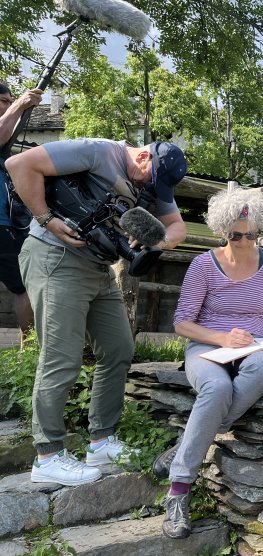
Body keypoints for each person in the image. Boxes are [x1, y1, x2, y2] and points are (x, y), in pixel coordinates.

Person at [5, 137, 188, 486]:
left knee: (119, 348)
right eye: (148, 181)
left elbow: (176, 225)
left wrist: (156, 239)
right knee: (61, 356)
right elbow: (19, 165)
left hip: (98, 269)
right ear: (143, 155)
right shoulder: (98, 151)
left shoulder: (154, 177)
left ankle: (101, 441)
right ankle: (48, 457)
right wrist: (45, 218)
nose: (147, 189)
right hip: (55, 257)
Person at [155, 186, 263, 539]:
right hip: (207, 349)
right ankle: (178, 490)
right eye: (236, 234)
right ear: (223, 230)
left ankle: (186, 443)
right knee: (217, 387)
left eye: (251, 234)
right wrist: (222, 338)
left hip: (256, 348)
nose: (244, 241)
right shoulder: (203, 265)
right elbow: (182, 323)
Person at [0, 83, 43, 339]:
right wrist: (19, 105)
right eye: (4, 101)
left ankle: (28, 351)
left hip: (8, 226)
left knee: (25, 286)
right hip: (2, 226)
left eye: (9, 100)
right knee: (26, 288)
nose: (9, 104)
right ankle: (28, 350)